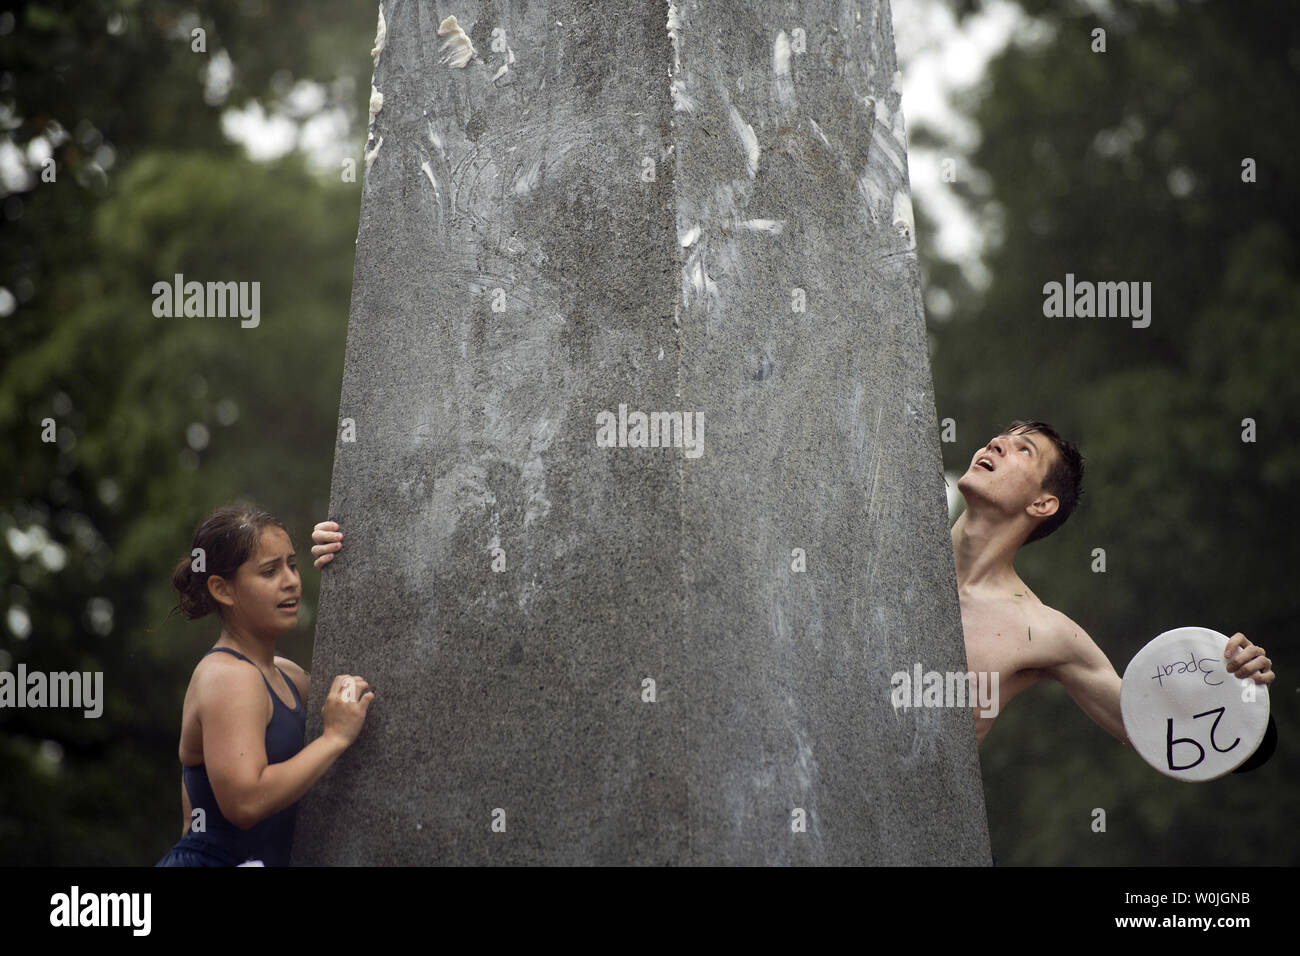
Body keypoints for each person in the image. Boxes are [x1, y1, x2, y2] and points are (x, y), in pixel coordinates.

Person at [954, 420, 1275, 762]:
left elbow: (1168, 732)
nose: (995, 444)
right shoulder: (891, 550)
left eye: (1024, 449)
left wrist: (1243, 692)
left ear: (1042, 504)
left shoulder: (1042, 633)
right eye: (1000, 438)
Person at [156, 506, 374, 866]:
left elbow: (360, 688)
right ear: (222, 589)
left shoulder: (286, 674)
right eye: (270, 571)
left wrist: (345, 560)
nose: (290, 580)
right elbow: (244, 803)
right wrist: (333, 738)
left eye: (292, 564)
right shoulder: (227, 676)